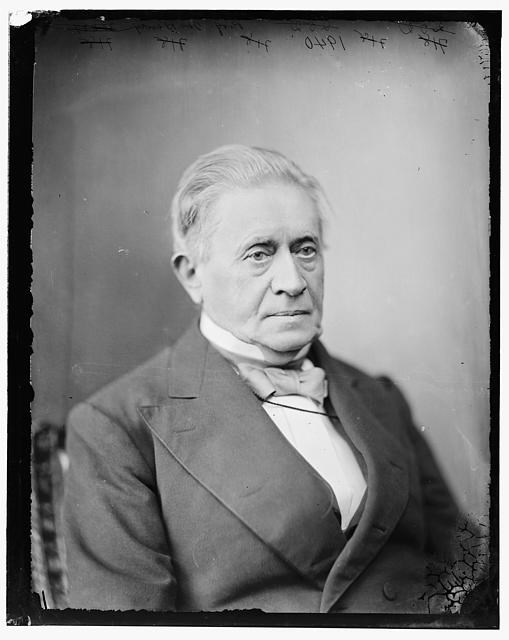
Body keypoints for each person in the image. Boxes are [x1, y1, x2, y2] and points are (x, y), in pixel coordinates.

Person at [63, 144, 460, 613]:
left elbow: (466, 569)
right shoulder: (115, 428)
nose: (292, 280)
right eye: (259, 254)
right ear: (192, 274)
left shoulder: (380, 396)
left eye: (305, 249)